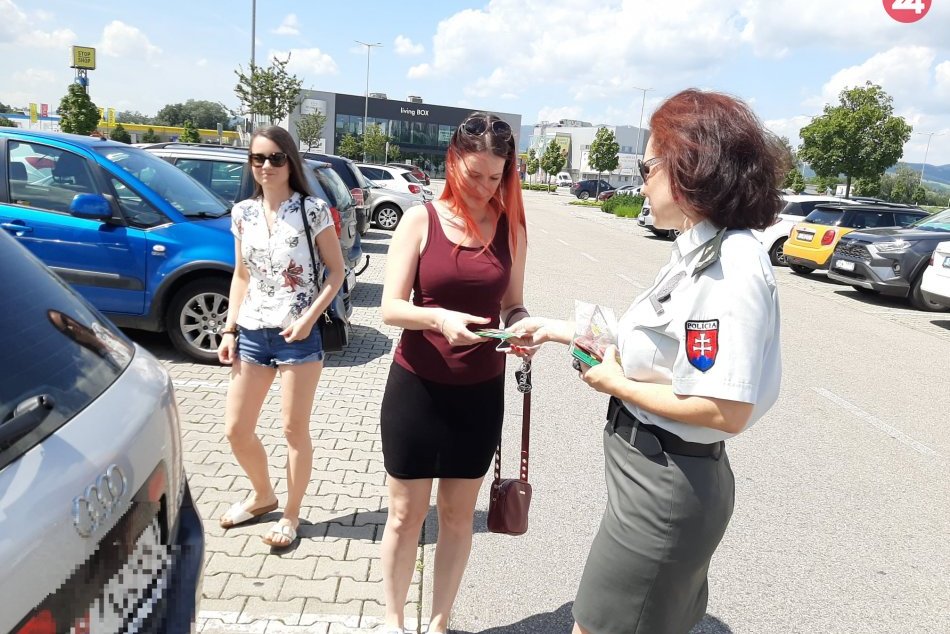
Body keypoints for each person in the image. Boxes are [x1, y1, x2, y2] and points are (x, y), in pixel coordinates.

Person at [510, 89, 785, 634]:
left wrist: (615, 383)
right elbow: (659, 350)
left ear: (690, 167)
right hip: (652, 478)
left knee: (595, 626)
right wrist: (562, 331)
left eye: (649, 164)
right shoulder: (699, 249)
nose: (641, 180)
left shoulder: (730, 267)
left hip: (664, 489)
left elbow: (722, 408)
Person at [378, 112, 529, 634]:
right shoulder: (420, 219)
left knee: (459, 517)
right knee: (405, 516)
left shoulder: (511, 227)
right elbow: (391, 308)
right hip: (416, 390)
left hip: (479, 395)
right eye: (476, 175)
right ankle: (395, 622)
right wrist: (439, 318)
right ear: (453, 162)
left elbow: (513, 305)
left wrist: (523, 328)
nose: (486, 187)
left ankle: (440, 622)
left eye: (497, 177)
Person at [216, 125, 346, 550]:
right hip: (252, 332)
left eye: (275, 158)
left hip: (298, 334)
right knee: (236, 429)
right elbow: (240, 274)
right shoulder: (242, 213)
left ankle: (290, 514)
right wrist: (230, 327)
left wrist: (309, 319)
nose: (266, 166)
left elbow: (336, 271)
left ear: (290, 161)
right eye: (258, 158)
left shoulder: (312, 210)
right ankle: (262, 495)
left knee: (293, 430)